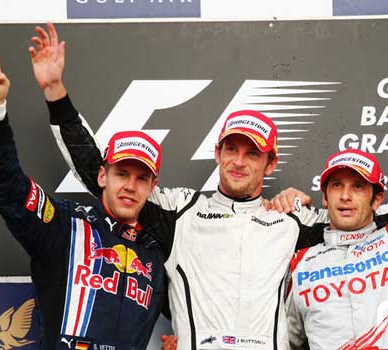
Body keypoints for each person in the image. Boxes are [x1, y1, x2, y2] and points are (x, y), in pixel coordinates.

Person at [28, 23, 337, 350]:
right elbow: (100, 173)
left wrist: (301, 200)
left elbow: (363, 221)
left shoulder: (291, 222)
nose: (238, 161)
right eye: (231, 149)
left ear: (270, 163)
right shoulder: (180, 213)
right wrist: (56, 94)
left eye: (252, 153)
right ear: (217, 153)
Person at [0, 45, 172, 350]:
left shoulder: (157, 256)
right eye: (122, 173)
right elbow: (7, 187)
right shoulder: (65, 225)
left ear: (152, 186)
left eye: (141, 178)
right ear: (102, 176)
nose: (130, 186)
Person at [285, 33, 388, 349]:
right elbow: (286, 341)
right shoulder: (303, 263)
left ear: (378, 198)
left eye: (358, 187)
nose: (346, 195)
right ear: (325, 197)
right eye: (337, 185)